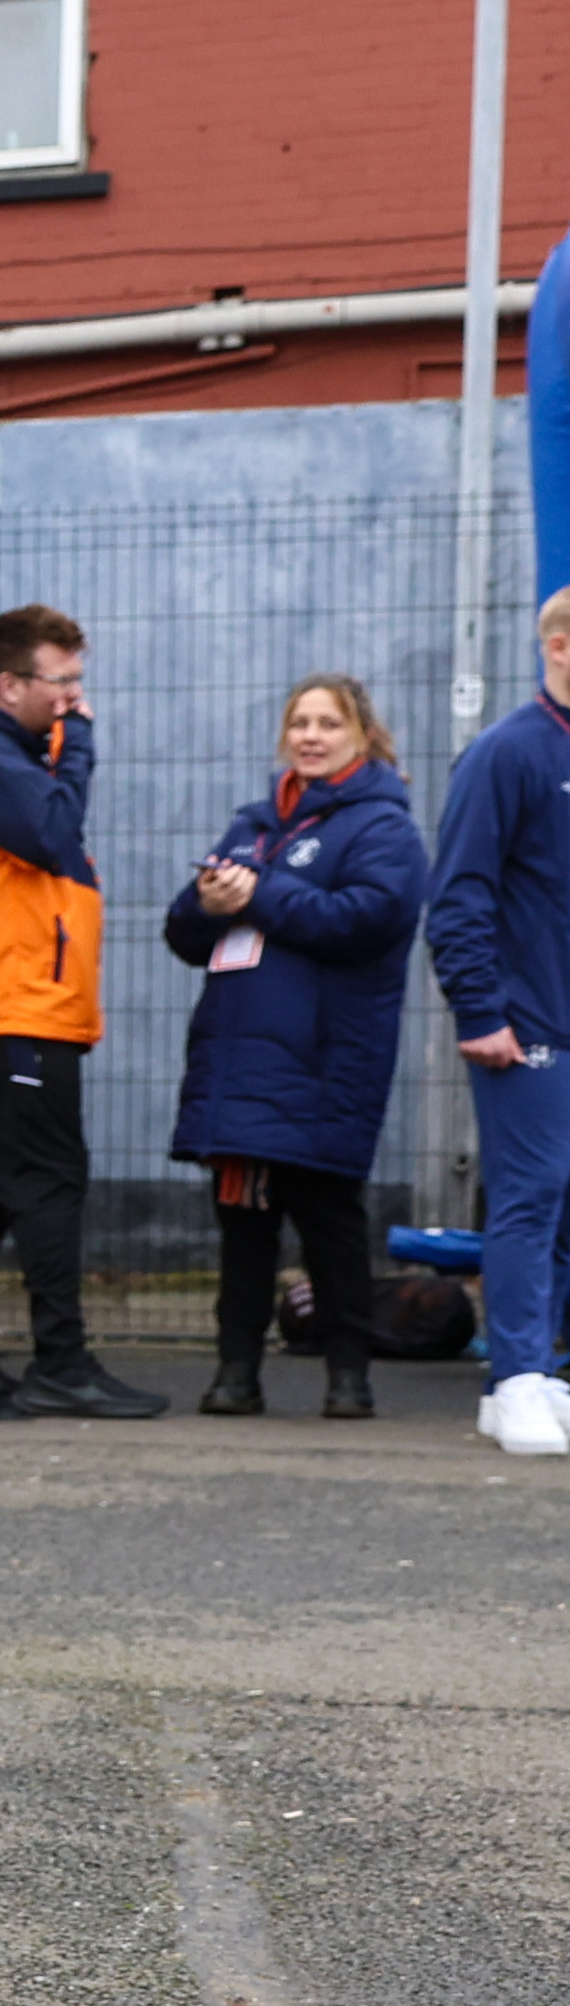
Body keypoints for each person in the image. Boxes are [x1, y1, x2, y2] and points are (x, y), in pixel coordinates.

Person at [0, 604, 162, 1417]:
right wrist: (79, 746)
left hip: (10, 1003)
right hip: (8, 1007)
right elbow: (54, 828)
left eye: (77, 684)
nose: (75, 699)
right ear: (9, 683)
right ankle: (60, 1362)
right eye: (62, 683)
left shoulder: (0, 754)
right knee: (49, 1181)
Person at [160, 675, 421, 1419]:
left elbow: (364, 919)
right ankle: (234, 1374)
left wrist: (258, 895)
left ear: (361, 735)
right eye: (298, 722)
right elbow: (185, 933)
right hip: (238, 1065)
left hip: (323, 1063)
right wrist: (203, 903)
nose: (309, 735)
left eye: (326, 723)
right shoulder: (249, 823)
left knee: (330, 1225)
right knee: (242, 1230)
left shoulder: (382, 827)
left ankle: (348, 1378)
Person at [428, 588, 570, 1458]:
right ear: (558, 648)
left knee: (562, 1204)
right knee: (531, 1194)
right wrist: (479, 1009)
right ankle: (516, 1374)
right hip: (525, 1026)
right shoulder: (507, 752)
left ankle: (533, 1374)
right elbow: (459, 893)